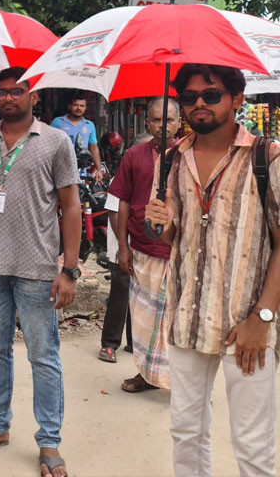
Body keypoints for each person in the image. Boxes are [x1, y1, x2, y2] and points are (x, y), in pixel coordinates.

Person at [146, 64, 280, 477]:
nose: (199, 103)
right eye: (188, 97)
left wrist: (263, 316)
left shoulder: (267, 157)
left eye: (211, 94)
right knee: (186, 431)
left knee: (253, 444)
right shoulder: (170, 159)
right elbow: (177, 240)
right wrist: (164, 225)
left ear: (237, 100)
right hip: (187, 318)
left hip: (247, 324)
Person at [0, 67, 81, 477]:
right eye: (2, 92)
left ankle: (49, 442)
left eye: (17, 91)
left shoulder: (56, 141)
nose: (8, 98)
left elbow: (72, 206)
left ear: (34, 95)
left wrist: (70, 269)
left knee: (44, 357)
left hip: (37, 267)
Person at [110, 99, 180, 394]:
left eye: (169, 120)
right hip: (141, 249)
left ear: (180, 122)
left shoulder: (190, 155)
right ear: (147, 124)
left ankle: (182, 383)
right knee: (143, 320)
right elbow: (122, 201)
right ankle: (146, 374)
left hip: (176, 251)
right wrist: (123, 248)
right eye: (155, 120)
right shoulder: (134, 155)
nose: (162, 126)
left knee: (175, 321)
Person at [98, 189, 132, 364]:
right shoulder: (120, 177)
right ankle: (109, 344)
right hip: (121, 249)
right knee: (120, 295)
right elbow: (113, 213)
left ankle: (134, 342)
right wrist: (124, 245)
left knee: (141, 296)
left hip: (143, 248)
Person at [51, 91, 103, 180]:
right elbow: (49, 145)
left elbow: (93, 148)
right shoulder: (58, 122)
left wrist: (98, 170)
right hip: (60, 170)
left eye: (82, 106)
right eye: (75, 105)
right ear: (70, 106)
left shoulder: (89, 125)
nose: (78, 108)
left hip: (82, 172)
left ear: (85, 108)